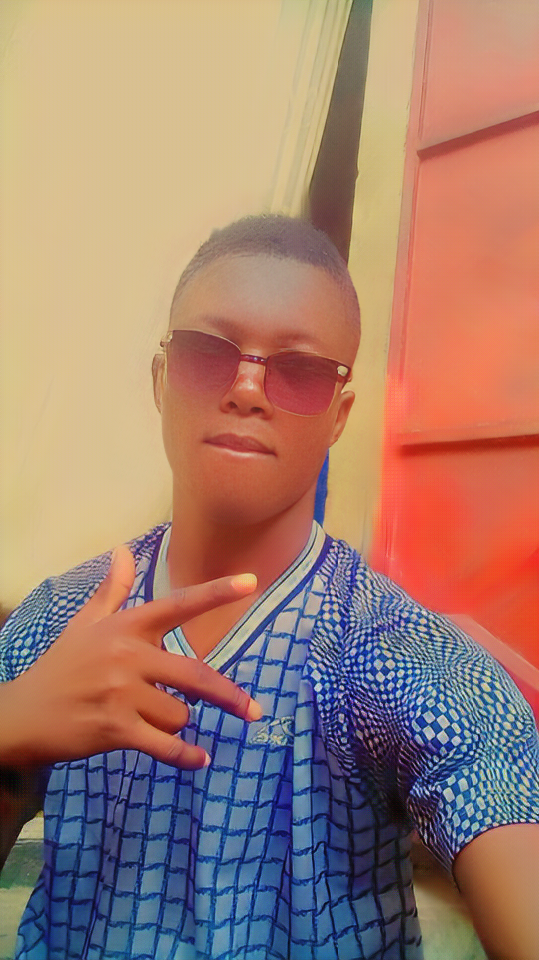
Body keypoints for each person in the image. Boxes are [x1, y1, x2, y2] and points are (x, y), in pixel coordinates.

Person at [0, 215, 538, 960]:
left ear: (339, 417)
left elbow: (489, 784)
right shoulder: (58, 619)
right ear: (160, 379)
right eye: (207, 353)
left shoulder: (386, 650)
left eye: (300, 370)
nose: (248, 388)